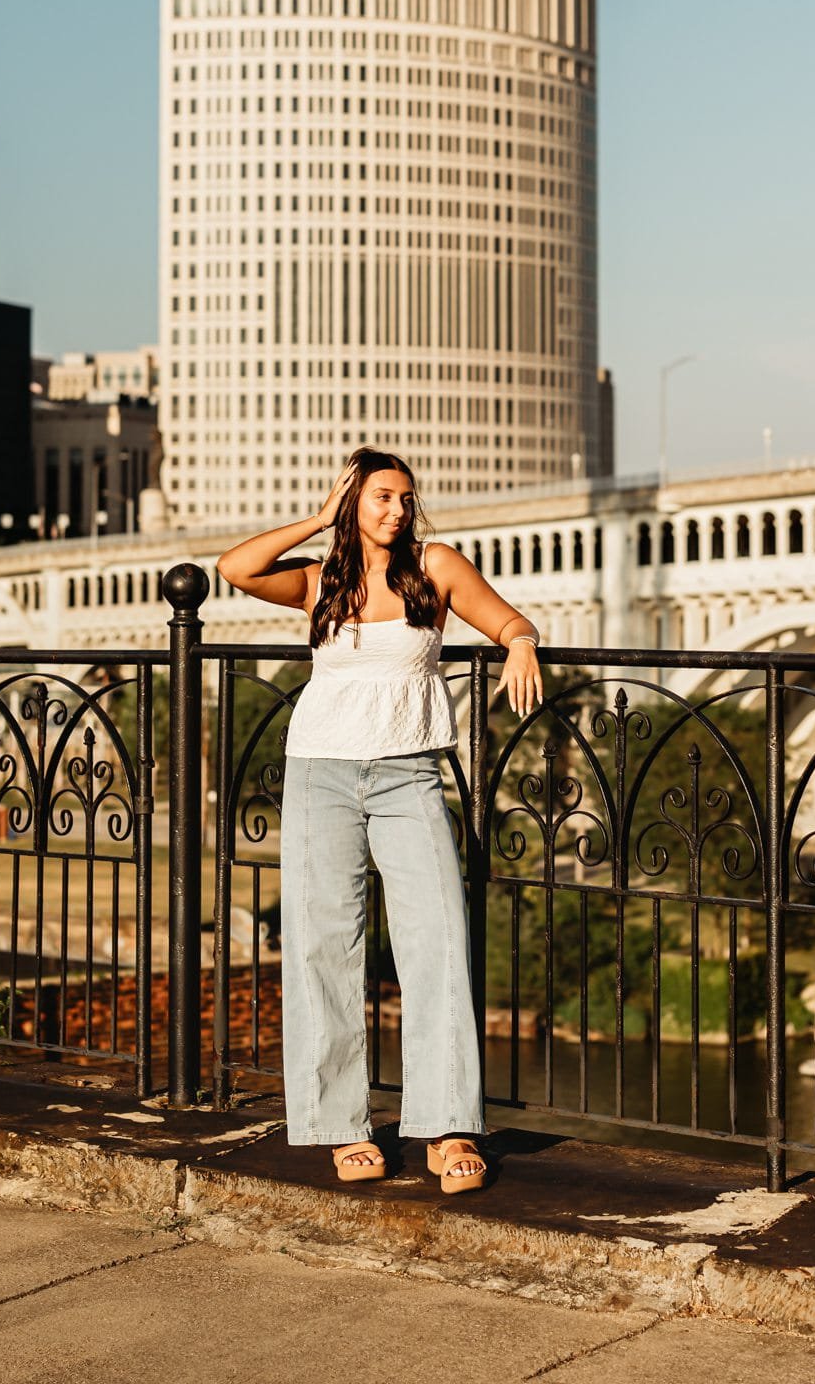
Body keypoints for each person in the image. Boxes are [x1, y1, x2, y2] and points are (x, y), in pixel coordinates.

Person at [216, 448, 543, 1193]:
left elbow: (505, 618)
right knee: (323, 947)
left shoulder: (436, 565)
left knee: (436, 940)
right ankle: (341, 1127)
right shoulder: (316, 581)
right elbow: (235, 567)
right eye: (380, 497)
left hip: (409, 774)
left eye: (404, 498)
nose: (396, 510)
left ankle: (448, 1127)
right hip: (319, 774)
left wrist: (520, 643)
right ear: (352, 501)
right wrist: (318, 519)